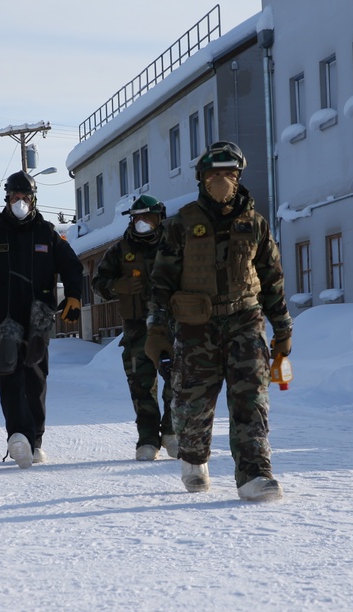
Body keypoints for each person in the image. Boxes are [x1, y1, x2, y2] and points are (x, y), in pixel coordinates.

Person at [145, 142, 293, 502]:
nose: (221, 180)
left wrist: (283, 329)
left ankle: (255, 475)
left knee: (251, 401)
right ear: (201, 179)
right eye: (214, 174)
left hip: (246, 321)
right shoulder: (181, 224)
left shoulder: (254, 224)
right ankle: (194, 459)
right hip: (195, 326)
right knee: (193, 404)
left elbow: (272, 279)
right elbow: (161, 281)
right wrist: (157, 330)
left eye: (229, 173)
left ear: (239, 176)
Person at [0, 170, 84, 468]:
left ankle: (35, 440)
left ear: (33, 199)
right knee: (8, 373)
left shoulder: (47, 233)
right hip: (2, 318)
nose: (19, 203)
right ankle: (18, 437)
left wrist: (74, 295)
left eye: (25, 197)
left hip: (38, 319)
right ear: (7, 198)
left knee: (35, 379)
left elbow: (73, 266)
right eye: (14, 197)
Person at [92, 194, 177, 462]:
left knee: (177, 380)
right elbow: (98, 282)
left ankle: (172, 432)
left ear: (158, 218)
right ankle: (148, 438)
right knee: (142, 386)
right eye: (137, 217)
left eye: (147, 217)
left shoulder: (175, 245)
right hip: (137, 329)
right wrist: (118, 286)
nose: (141, 222)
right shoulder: (119, 251)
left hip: (173, 327)